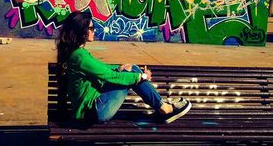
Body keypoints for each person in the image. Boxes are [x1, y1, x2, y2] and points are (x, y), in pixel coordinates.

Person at [55, 11, 191, 125]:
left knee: (131, 69)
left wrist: (120, 68)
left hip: (90, 110)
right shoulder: (80, 57)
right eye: (91, 28)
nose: (94, 30)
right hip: (94, 112)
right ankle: (165, 109)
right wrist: (141, 77)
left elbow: (102, 69)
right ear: (81, 31)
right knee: (133, 72)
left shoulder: (76, 54)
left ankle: (162, 107)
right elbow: (110, 76)